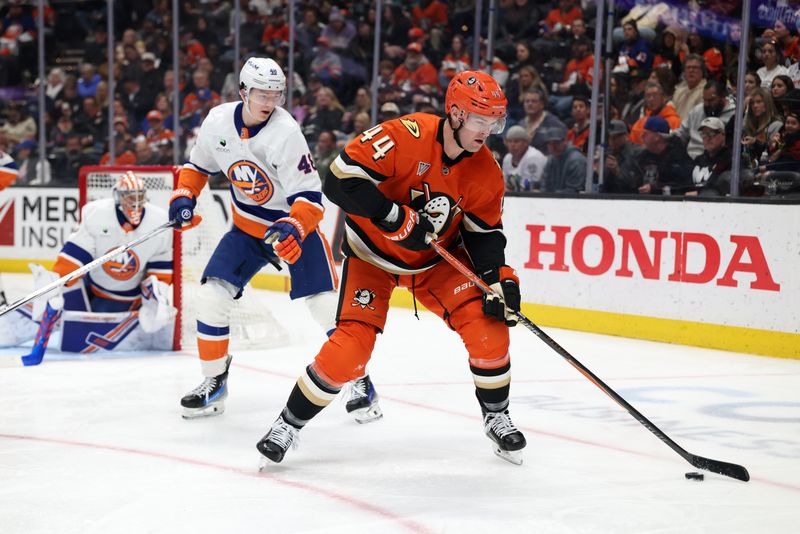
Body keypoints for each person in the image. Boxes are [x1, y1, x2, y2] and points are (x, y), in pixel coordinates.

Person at [256, 71, 527, 466]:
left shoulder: (486, 170)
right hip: (372, 257)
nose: (487, 131)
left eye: (493, 122)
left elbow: (484, 235)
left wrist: (498, 279)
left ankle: (496, 416)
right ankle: (287, 425)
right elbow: (339, 180)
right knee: (350, 351)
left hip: (437, 263)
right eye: (478, 119)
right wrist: (393, 217)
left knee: (490, 332)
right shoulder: (407, 134)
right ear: (454, 113)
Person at [168, 57, 373, 421]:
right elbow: (197, 167)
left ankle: (360, 380)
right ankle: (214, 382)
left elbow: (310, 198)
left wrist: (294, 226)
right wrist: (184, 195)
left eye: (276, 95)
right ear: (243, 91)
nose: (269, 102)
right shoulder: (217, 121)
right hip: (247, 228)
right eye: (262, 94)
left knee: (325, 305)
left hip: (293, 228)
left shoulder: (286, 133)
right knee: (211, 296)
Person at [0, 172, 176, 362]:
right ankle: (5, 330)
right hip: (89, 285)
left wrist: (156, 299)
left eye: (138, 196)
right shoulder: (97, 214)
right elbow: (76, 254)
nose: (134, 202)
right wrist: (57, 283)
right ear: (118, 196)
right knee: (50, 304)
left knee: (80, 328)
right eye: (129, 196)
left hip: (121, 297)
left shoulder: (159, 222)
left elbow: (160, 269)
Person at [638, 116, 694, 195]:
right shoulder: (644, 156)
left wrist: (656, 189)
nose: (641, 136)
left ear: (657, 137)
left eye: (645, 133)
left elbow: (683, 186)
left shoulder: (678, 158)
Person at [540, 124, 586, 193]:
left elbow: (574, 190)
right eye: (550, 143)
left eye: (556, 143)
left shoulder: (576, 160)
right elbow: (544, 185)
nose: (553, 147)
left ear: (565, 141)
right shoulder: (551, 159)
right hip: (552, 200)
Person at [602, 120, 644, 193]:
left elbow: (636, 184)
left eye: (616, 137)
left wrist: (617, 172)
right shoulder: (607, 153)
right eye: (610, 137)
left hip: (630, 198)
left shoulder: (637, 153)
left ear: (626, 136)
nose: (613, 141)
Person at [502, 125, 546, 192]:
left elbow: (531, 187)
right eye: (509, 141)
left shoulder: (533, 157)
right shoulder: (507, 158)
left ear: (525, 143)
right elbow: (504, 184)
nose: (512, 145)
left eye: (516, 141)